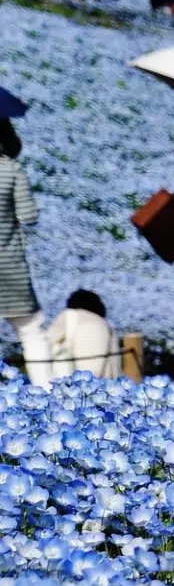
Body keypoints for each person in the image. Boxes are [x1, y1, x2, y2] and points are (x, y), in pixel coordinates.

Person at [0, 119, 51, 386]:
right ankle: (45, 395)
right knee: (31, 331)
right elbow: (28, 216)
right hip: (9, 266)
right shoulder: (11, 169)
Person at [42, 290, 116, 379]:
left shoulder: (70, 315)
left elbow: (46, 341)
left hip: (74, 381)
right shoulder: (106, 325)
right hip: (106, 384)